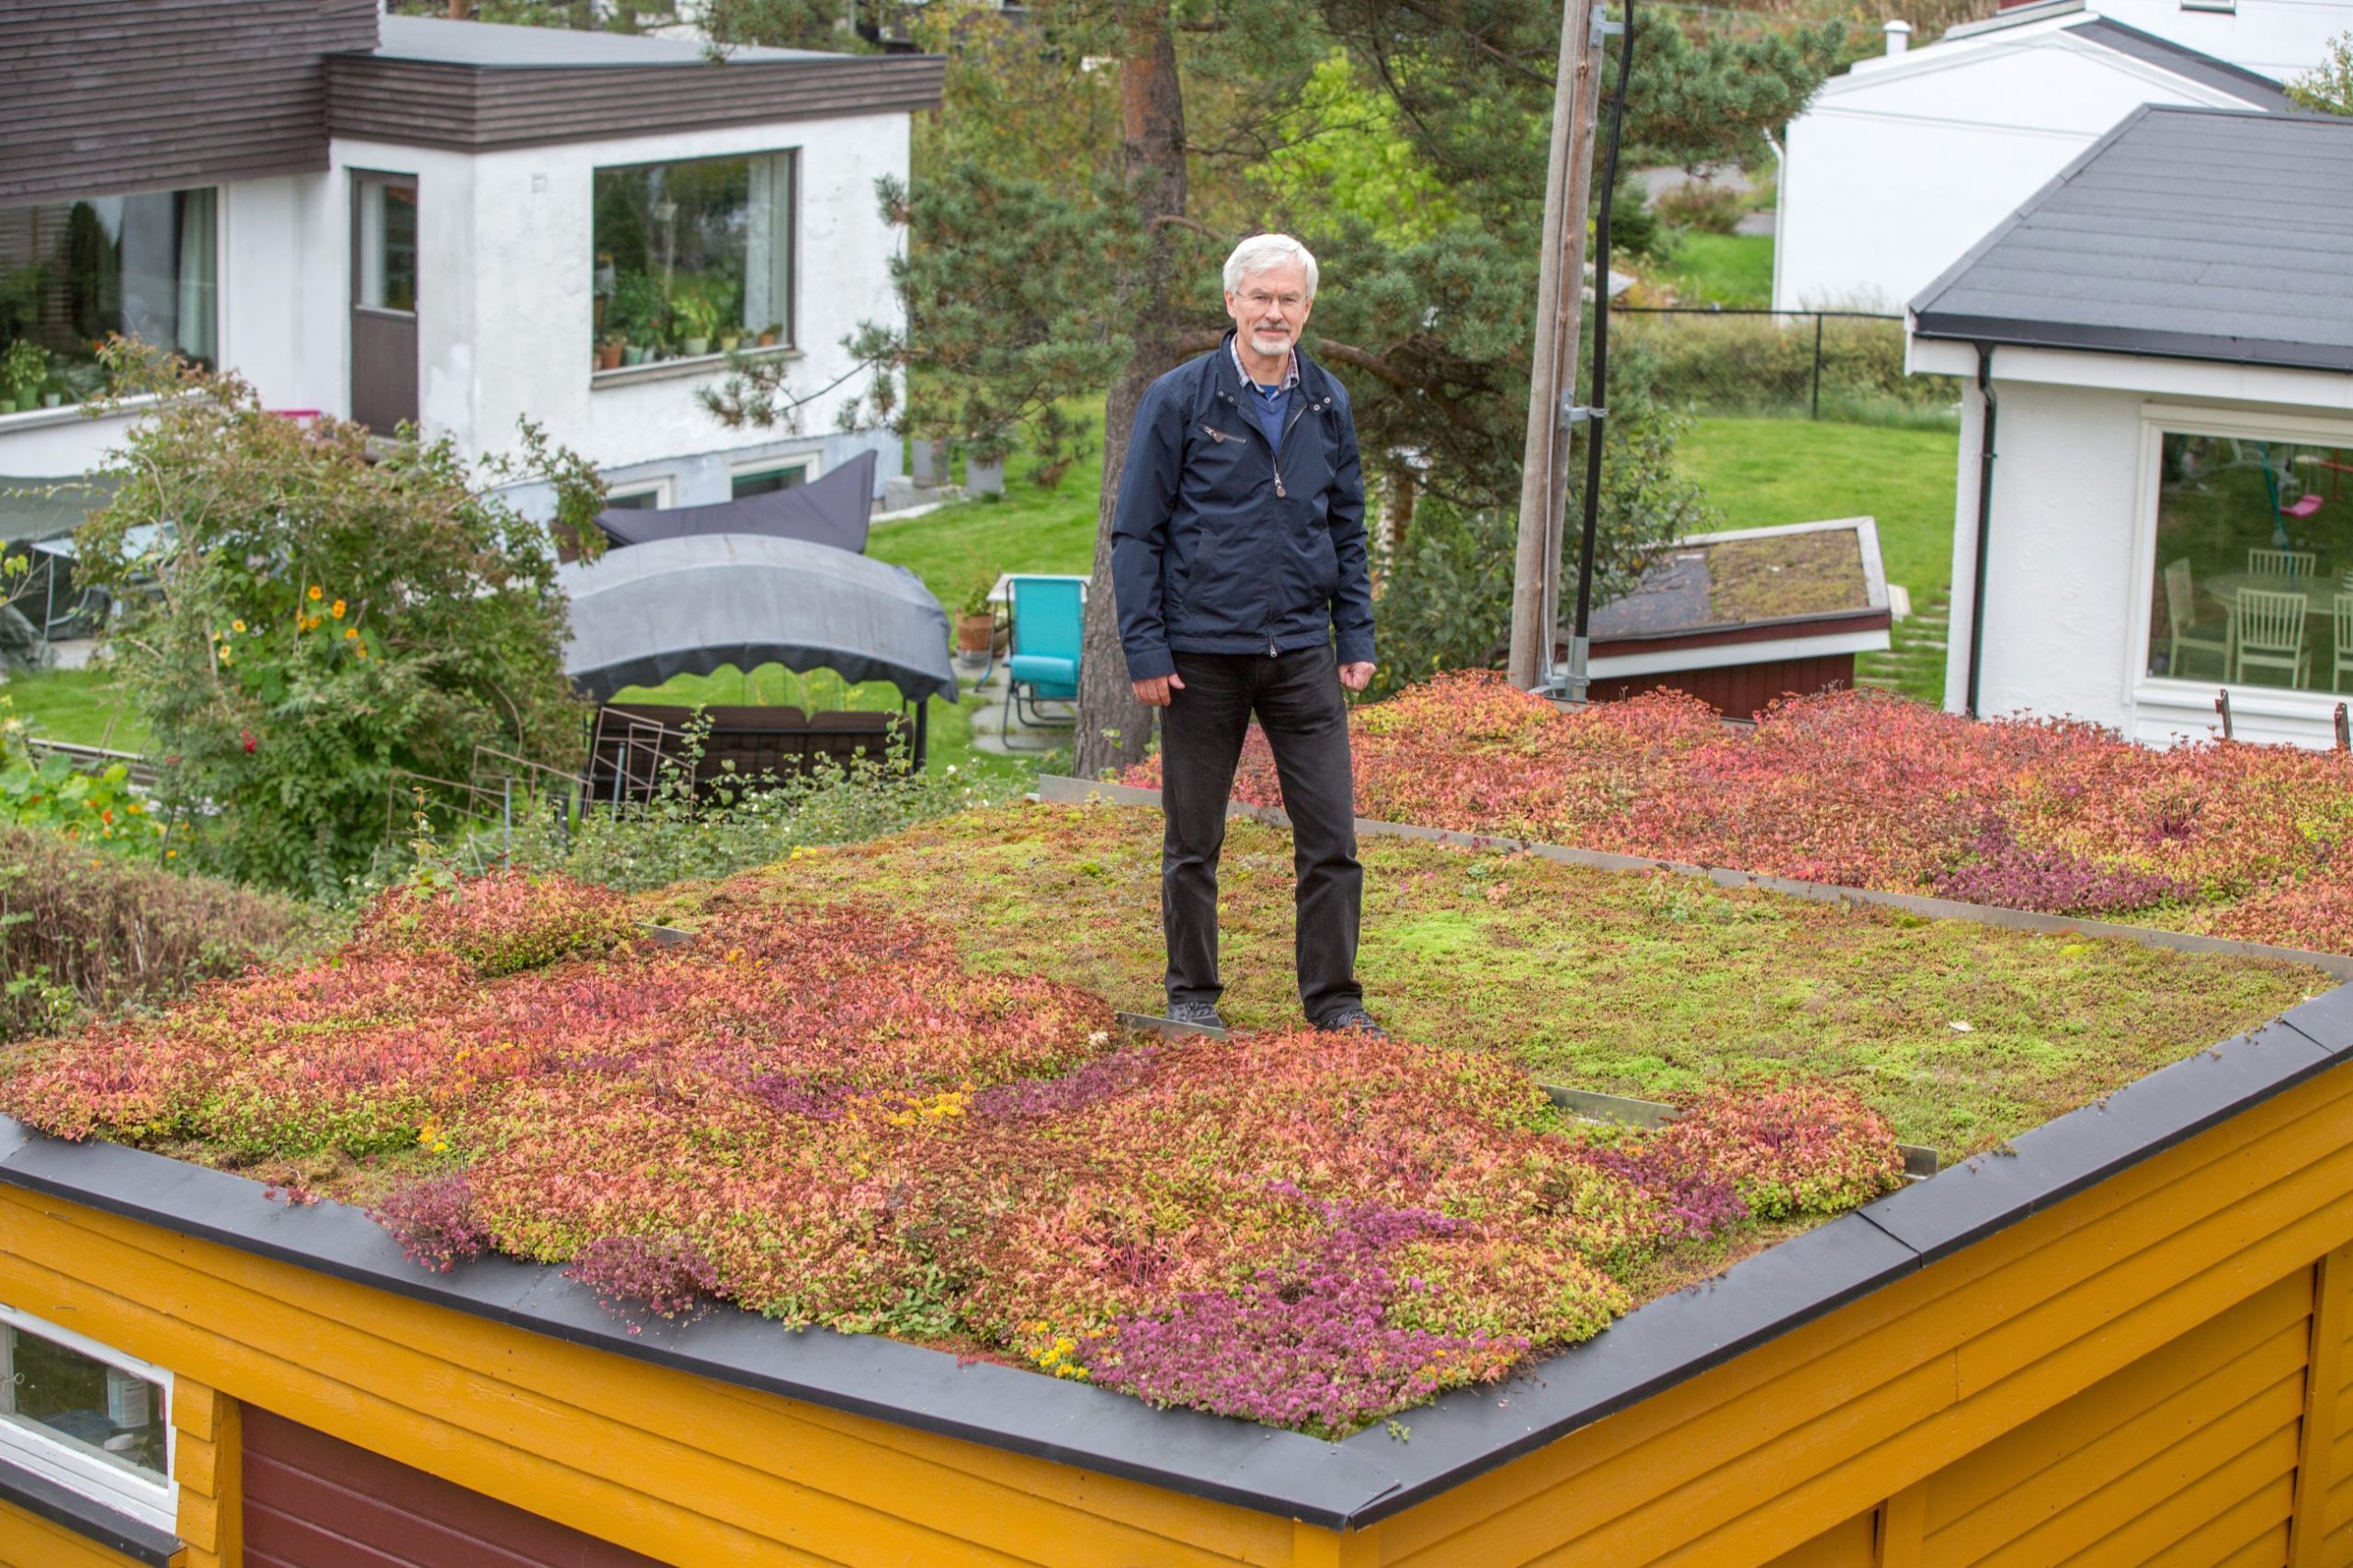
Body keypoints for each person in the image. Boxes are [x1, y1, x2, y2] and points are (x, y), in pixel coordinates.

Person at [1110, 233, 1383, 1038]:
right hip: (1200, 659)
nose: (1274, 312)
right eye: (1259, 297)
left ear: (1307, 309)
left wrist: (1355, 635)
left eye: (1288, 299)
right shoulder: (1180, 398)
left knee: (1332, 839)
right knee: (1194, 841)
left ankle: (1334, 1001)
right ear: (1230, 303)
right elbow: (1136, 535)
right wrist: (1146, 649)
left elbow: (1348, 528)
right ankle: (1192, 993)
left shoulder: (1328, 402)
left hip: (1300, 654)